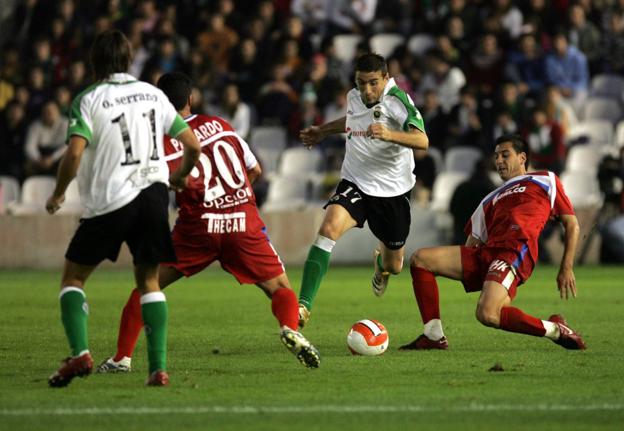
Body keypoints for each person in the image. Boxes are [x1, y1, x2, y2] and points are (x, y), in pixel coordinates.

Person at [96, 71, 320, 373]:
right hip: (242, 223)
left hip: (198, 227)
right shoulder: (221, 126)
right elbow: (254, 171)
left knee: (146, 284)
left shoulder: (161, 142)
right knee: (280, 288)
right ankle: (289, 328)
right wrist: (234, 201)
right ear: (191, 99)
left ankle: (121, 359)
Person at [45, 30, 201, 387]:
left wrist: (58, 194)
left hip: (112, 201)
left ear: (94, 61)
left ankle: (81, 352)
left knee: (73, 278)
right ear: (130, 59)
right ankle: (158, 369)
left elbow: (73, 154)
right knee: (149, 281)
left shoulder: (89, 99)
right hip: (153, 197)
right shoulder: (153, 95)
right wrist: (178, 177)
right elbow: (192, 145)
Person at [401, 134, 586, 351]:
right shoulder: (490, 198)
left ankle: (555, 330)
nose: (498, 161)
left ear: (522, 158)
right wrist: (468, 269)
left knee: (487, 314)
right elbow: (472, 244)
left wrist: (566, 266)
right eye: (496, 156)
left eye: (505, 155)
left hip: (515, 249)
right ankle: (433, 335)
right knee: (421, 259)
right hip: (487, 254)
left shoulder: (546, 180)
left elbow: (572, 225)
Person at [297, 53, 429, 327]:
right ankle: (302, 306)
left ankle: (381, 266)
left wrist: (389, 134)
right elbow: (350, 121)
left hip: (392, 192)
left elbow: (422, 140)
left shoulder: (398, 101)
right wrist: (322, 130)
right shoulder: (354, 96)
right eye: (360, 83)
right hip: (356, 181)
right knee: (329, 228)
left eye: (372, 83)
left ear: (385, 78)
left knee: (395, 265)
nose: (366, 90)